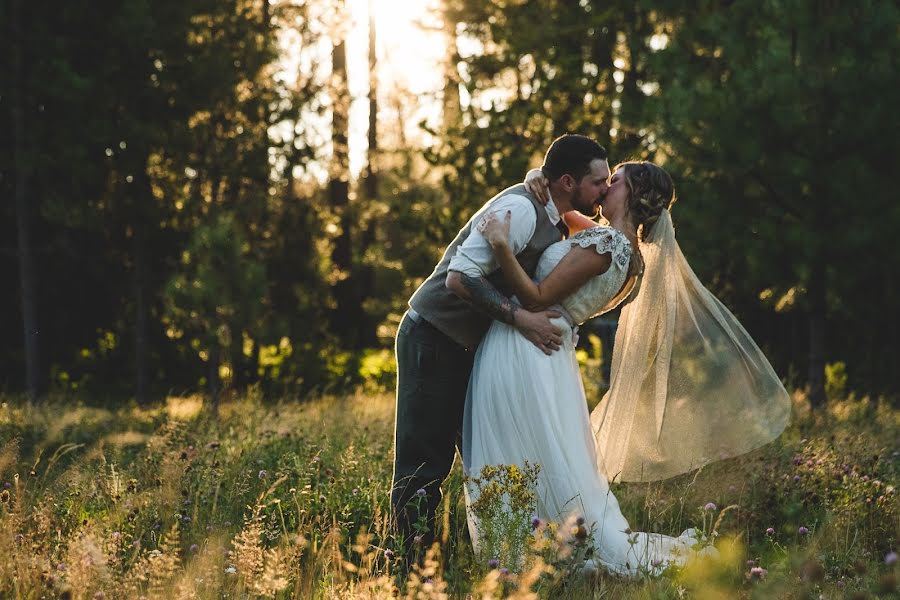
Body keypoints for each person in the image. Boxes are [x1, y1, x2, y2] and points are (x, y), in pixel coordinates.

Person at [464, 161, 791, 575]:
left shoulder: (608, 247)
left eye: (613, 182)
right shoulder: (621, 250)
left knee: (524, 450)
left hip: (530, 345)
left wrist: (499, 245)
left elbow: (535, 297)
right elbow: (564, 211)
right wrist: (537, 178)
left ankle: (533, 553)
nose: (604, 187)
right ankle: (535, 548)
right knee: (537, 453)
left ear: (632, 195)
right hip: (547, 354)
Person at [391, 134, 611, 554]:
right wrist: (522, 319)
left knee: (484, 458)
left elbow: (603, 239)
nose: (603, 190)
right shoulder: (521, 210)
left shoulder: (555, 211)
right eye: (598, 182)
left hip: (467, 346)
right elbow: (459, 278)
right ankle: (407, 566)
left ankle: (479, 554)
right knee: (424, 462)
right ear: (567, 181)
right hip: (433, 336)